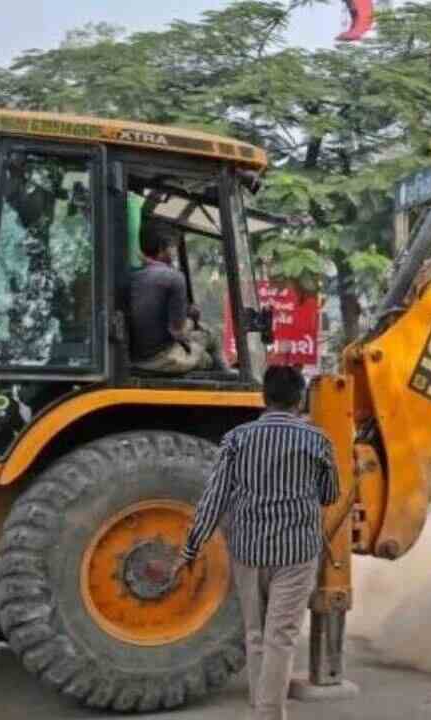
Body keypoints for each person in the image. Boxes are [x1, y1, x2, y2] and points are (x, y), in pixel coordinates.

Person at [173, 365, 339, 720]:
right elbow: (329, 495)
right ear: (300, 399)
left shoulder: (236, 439)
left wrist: (191, 548)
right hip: (296, 554)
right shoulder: (318, 441)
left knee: (256, 634)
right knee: (281, 636)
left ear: (265, 398)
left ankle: (260, 707)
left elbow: (214, 499)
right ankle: (267, 715)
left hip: (248, 552)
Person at [128, 218, 219, 373]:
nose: (173, 252)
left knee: (206, 336)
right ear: (162, 248)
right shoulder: (173, 277)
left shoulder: (132, 276)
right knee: (208, 349)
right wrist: (191, 318)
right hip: (160, 358)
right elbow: (178, 332)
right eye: (171, 247)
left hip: (136, 356)